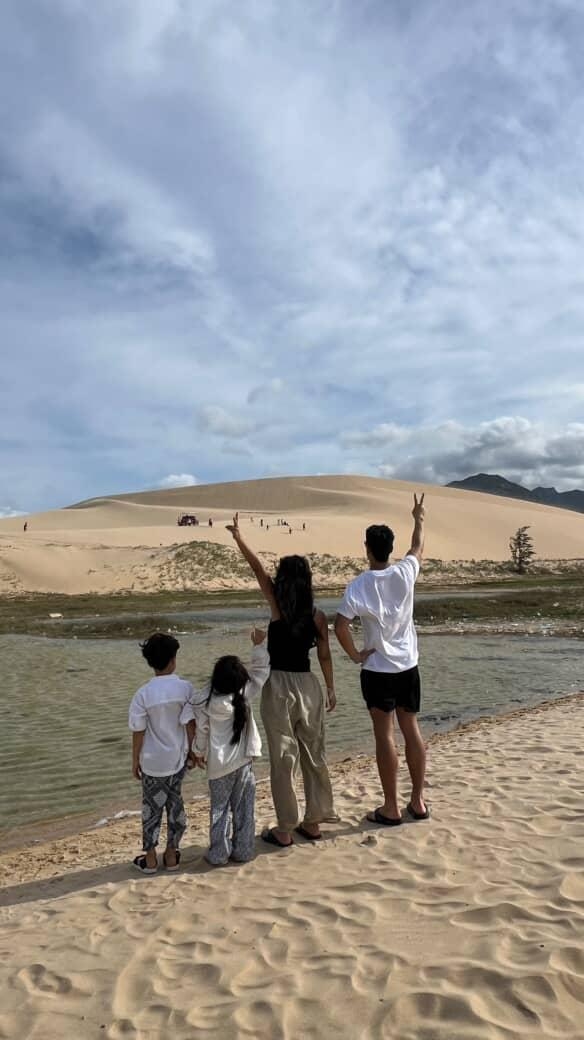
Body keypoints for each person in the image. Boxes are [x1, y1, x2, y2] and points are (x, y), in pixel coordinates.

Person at [227, 513, 336, 847]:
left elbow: (258, 570)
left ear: (283, 582)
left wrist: (239, 538)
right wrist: (331, 688)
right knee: (314, 753)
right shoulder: (317, 616)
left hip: (278, 687)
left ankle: (286, 827)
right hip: (308, 685)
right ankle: (314, 821)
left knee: (283, 758)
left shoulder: (277, 607)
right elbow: (324, 655)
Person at [334, 494, 428, 827]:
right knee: (411, 729)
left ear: (367, 548)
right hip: (408, 665)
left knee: (385, 735)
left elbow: (340, 624)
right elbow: (417, 547)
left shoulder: (358, 585)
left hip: (377, 669)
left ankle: (391, 806)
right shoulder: (405, 572)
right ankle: (417, 800)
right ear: (389, 548)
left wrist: (355, 654)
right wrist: (418, 517)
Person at [191, 628, 270, 865]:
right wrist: (259, 645)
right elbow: (261, 672)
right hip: (244, 764)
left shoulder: (205, 701)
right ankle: (244, 851)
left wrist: (196, 753)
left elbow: (202, 733)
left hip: (218, 767)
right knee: (244, 810)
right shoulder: (243, 695)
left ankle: (218, 854)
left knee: (219, 812)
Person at [128, 633, 196, 873]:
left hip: (152, 763)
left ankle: (149, 858)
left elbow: (138, 731)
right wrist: (194, 751)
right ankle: (171, 854)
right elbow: (190, 724)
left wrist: (135, 760)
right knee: (175, 805)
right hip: (178, 760)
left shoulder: (143, 694)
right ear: (173, 659)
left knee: (151, 809)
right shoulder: (186, 688)